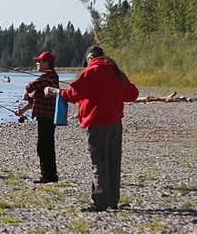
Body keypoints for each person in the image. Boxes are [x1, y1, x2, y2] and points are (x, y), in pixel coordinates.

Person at [46, 45, 139, 213]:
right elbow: (132, 94)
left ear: (89, 58)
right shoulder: (115, 71)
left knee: (99, 162)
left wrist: (56, 92)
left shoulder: (92, 71)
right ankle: (112, 201)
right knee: (113, 162)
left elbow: (74, 94)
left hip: (96, 123)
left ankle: (99, 202)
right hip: (115, 124)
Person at [16, 51, 60, 183]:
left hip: (47, 117)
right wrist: (22, 110)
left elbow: (32, 85)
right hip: (46, 116)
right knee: (46, 146)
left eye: (39, 61)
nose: (37, 63)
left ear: (47, 63)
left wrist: (26, 91)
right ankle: (49, 175)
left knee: (44, 147)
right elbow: (36, 99)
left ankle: (48, 176)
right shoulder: (49, 76)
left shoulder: (49, 75)